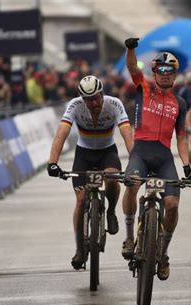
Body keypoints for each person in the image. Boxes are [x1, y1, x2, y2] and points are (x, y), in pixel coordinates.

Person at [122, 38, 191, 281]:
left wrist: (186, 164)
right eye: (161, 70)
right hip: (140, 153)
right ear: (155, 72)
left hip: (164, 157)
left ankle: (162, 254)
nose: (165, 74)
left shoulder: (180, 103)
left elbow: (181, 138)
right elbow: (132, 68)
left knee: (172, 205)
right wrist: (131, 49)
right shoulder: (144, 88)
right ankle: (130, 237)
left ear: (175, 75)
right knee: (131, 185)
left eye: (170, 71)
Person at [47, 75, 134, 270]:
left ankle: (111, 212)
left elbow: (127, 134)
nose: (94, 102)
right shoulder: (75, 105)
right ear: (82, 99)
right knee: (80, 200)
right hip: (84, 154)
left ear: (102, 93)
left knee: (112, 179)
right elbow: (62, 132)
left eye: (97, 97)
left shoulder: (114, 104)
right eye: (89, 100)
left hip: (107, 152)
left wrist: (134, 160)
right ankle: (79, 248)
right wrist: (53, 162)